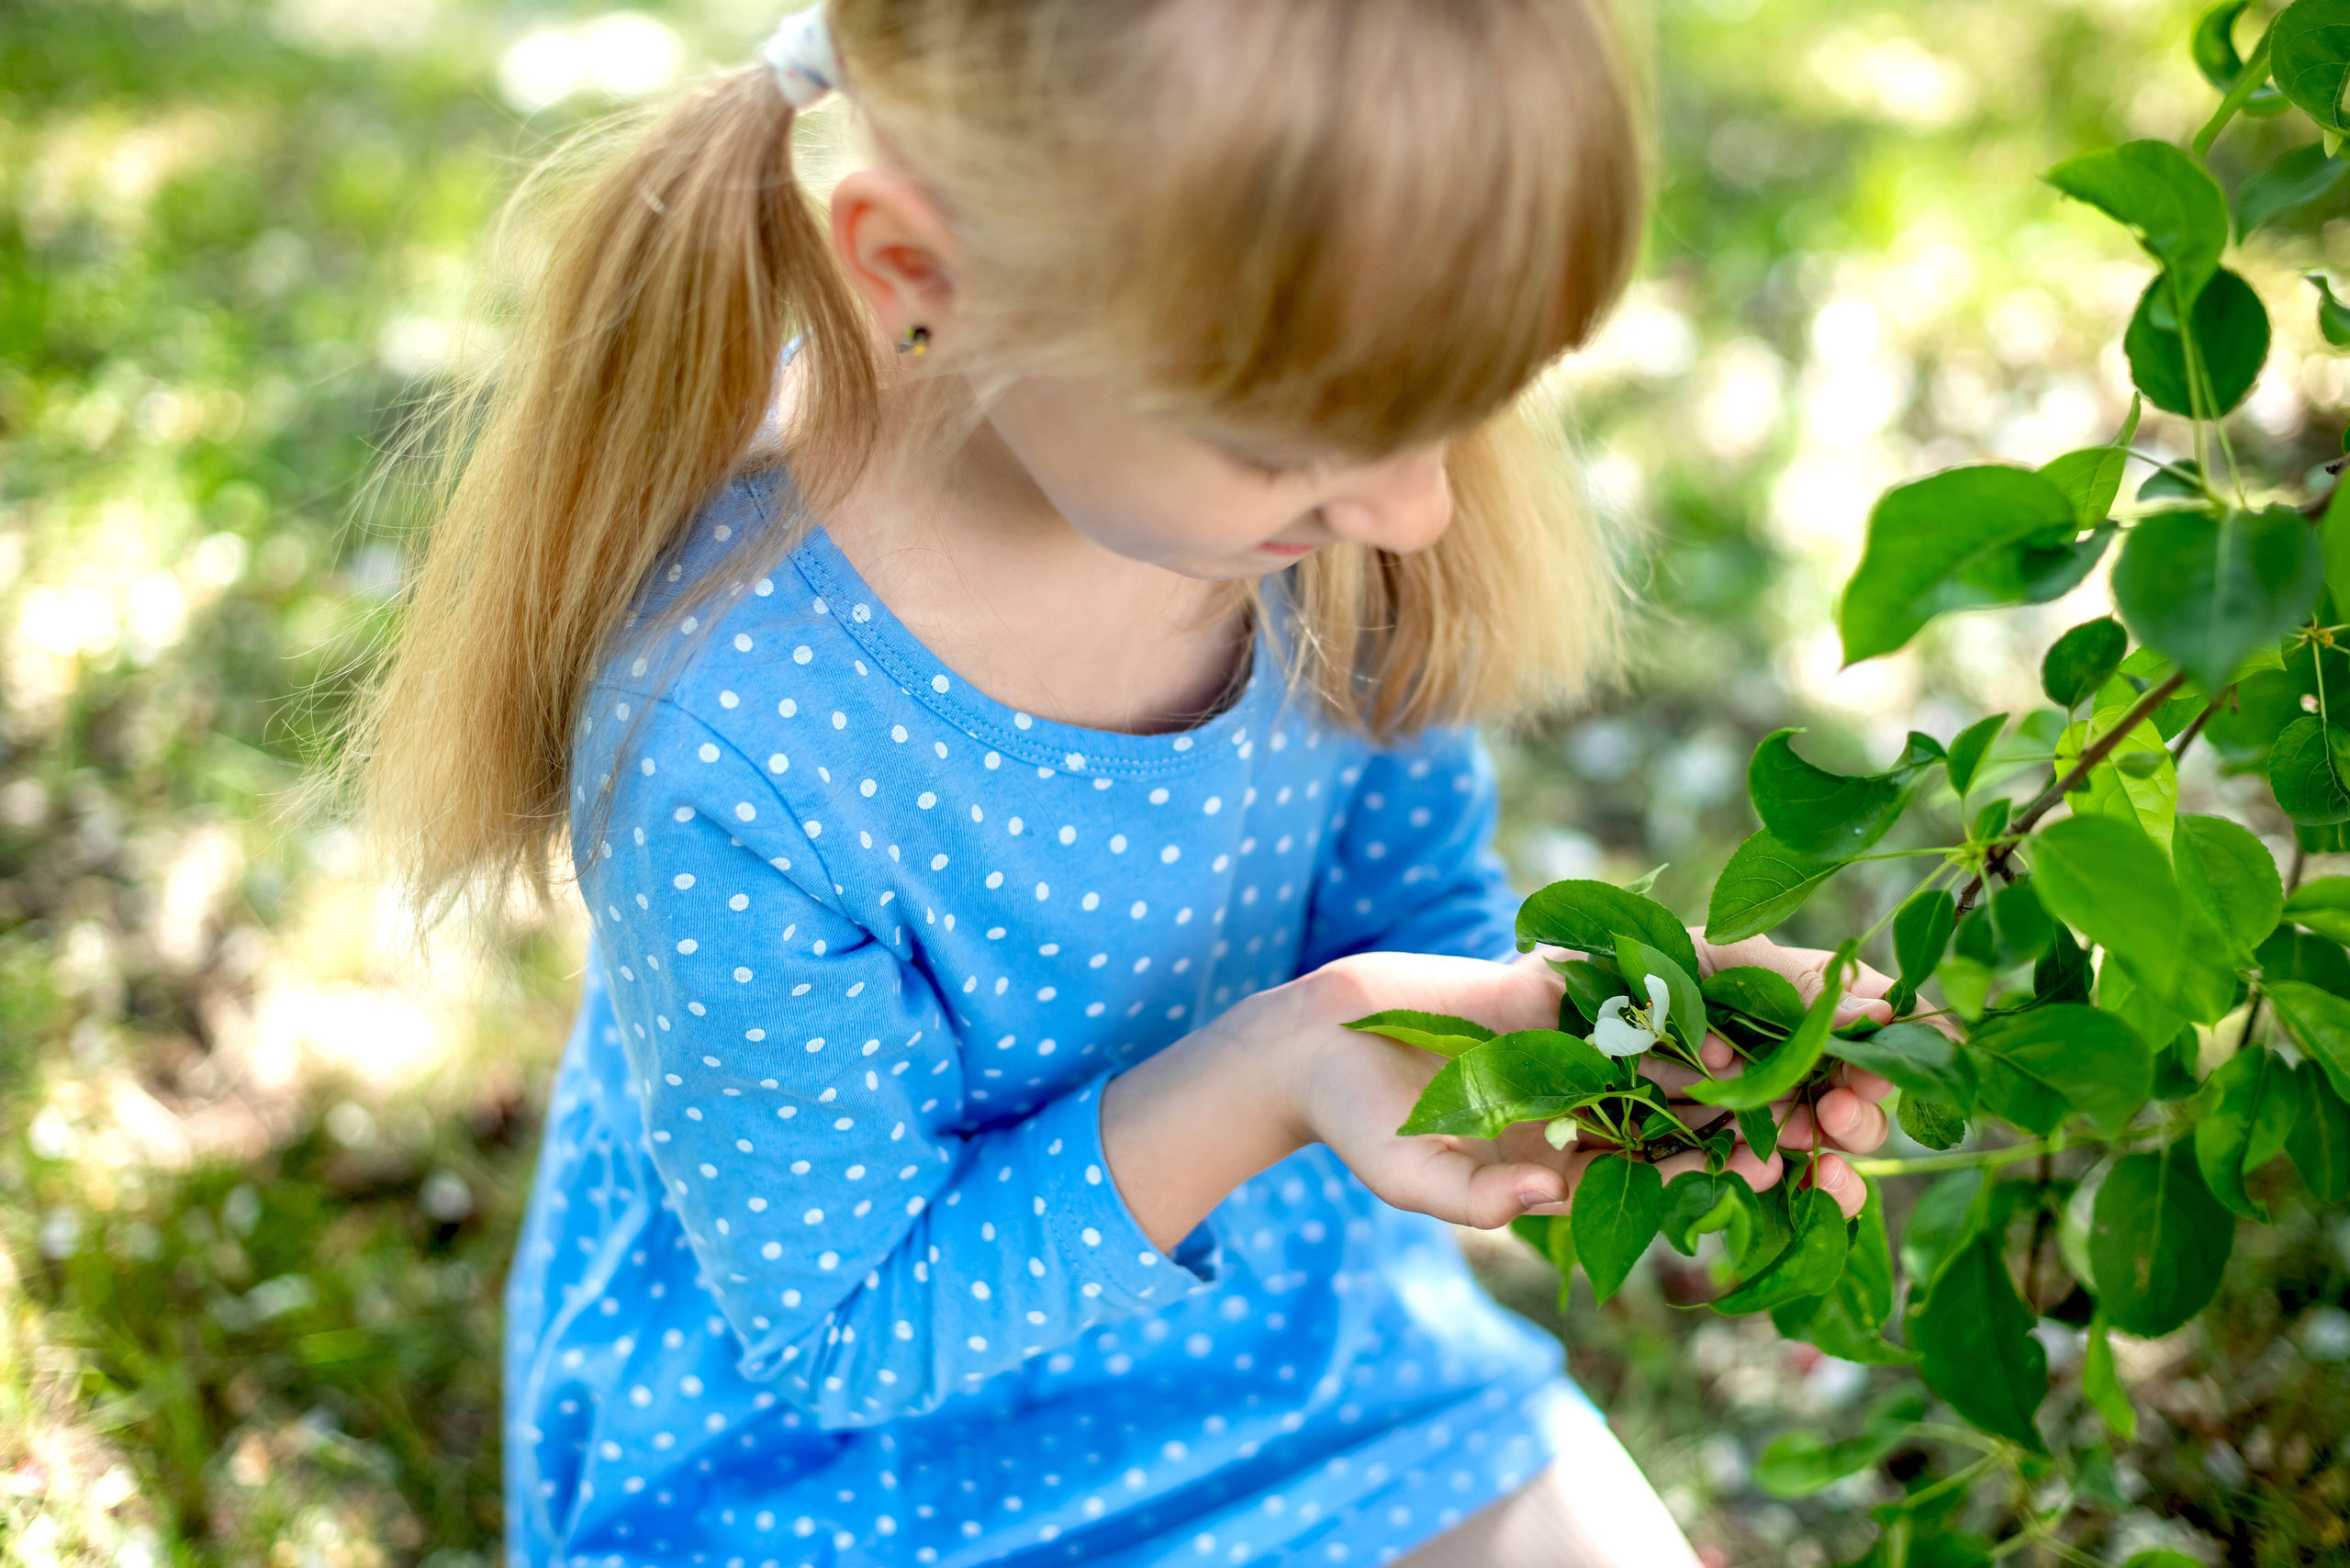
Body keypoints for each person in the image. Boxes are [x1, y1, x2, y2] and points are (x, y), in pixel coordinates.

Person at [353, 2, 1897, 1562]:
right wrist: (1280, 1068)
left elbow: (1409, 910)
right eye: (1301, 439)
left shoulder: (1317, 509)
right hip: (849, 1480)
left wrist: (1581, 1041)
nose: (1418, 512)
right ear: (925, 274)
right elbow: (849, 1330)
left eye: (1467, 405)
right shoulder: (737, 728)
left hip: (1300, 1362)